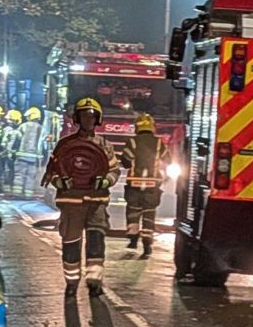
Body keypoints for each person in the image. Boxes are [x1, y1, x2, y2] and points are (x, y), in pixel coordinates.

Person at [41, 97, 120, 297]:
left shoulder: (104, 145)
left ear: (97, 119)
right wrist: (59, 181)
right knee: (71, 244)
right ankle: (71, 282)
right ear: (77, 118)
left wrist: (105, 181)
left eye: (92, 116)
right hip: (71, 204)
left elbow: (114, 170)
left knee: (96, 242)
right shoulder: (65, 145)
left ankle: (94, 281)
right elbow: (53, 171)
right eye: (84, 116)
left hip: (96, 203)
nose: (88, 120)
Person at [120, 112, 170, 258]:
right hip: (152, 186)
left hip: (134, 185)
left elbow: (126, 161)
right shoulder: (159, 143)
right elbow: (167, 160)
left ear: (137, 127)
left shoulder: (133, 142)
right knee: (149, 213)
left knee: (133, 212)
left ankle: (133, 239)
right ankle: (147, 244)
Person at [13, 107, 43, 197]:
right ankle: (28, 194)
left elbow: (16, 139)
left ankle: (17, 193)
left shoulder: (23, 126)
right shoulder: (40, 128)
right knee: (31, 176)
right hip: (34, 157)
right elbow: (42, 144)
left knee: (19, 175)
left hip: (21, 155)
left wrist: (12, 151)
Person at [2, 110, 23, 194]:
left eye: (10, 120)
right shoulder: (8, 130)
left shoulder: (19, 130)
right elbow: (4, 142)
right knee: (7, 171)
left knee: (13, 171)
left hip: (14, 154)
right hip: (8, 154)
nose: (9, 121)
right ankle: (7, 189)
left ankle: (10, 189)